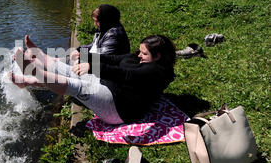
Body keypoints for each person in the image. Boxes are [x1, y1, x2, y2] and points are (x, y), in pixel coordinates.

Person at [9, 34, 176, 125]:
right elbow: (115, 59)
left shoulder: (157, 72)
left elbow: (126, 75)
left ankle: (32, 70)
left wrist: (94, 67)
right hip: (111, 87)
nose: (139, 54)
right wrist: (85, 55)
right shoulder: (140, 59)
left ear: (158, 56)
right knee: (70, 70)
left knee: (77, 86)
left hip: (118, 109)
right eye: (140, 51)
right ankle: (33, 70)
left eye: (144, 53)